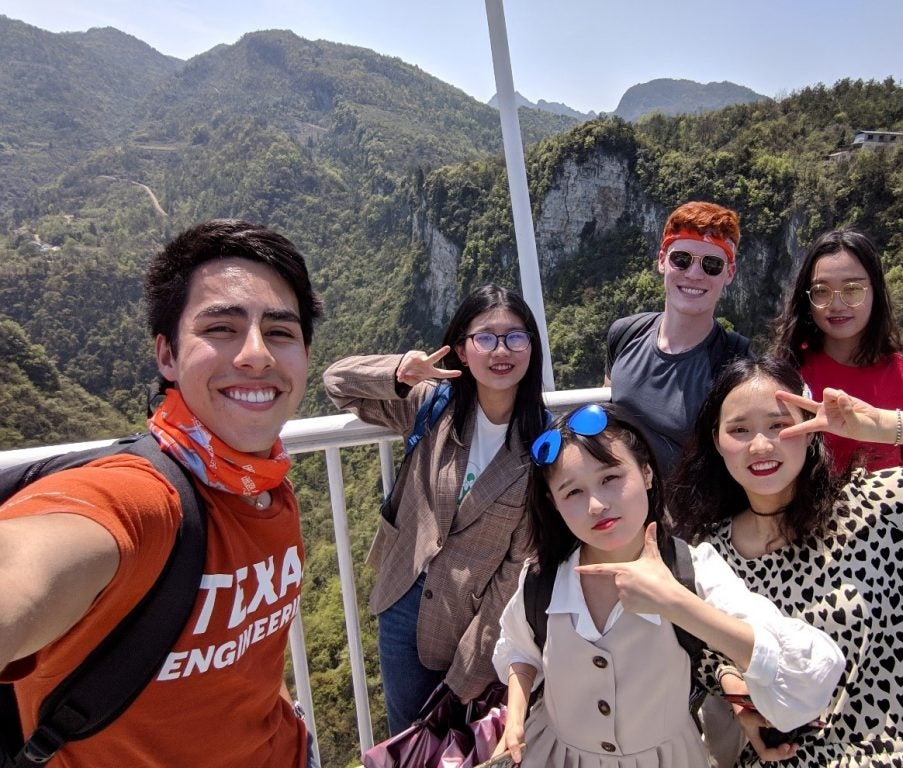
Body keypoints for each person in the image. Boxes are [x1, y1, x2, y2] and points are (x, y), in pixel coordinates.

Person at [0, 219, 324, 767]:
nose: (256, 354)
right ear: (167, 355)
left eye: (281, 332)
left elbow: (247, 652)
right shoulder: (138, 501)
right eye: (220, 327)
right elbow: (28, 568)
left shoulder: (266, 487)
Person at [671, 355, 903, 766]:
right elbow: (704, 646)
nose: (761, 445)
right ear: (717, 442)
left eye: (780, 424)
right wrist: (734, 690)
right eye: (739, 430)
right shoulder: (712, 555)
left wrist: (883, 425)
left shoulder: (884, 508)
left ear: (809, 430)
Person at [492, 403, 845, 767]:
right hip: (554, 754)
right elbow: (520, 649)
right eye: (572, 493)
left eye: (610, 478)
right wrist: (515, 718)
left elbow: (812, 670)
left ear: (646, 473)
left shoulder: (691, 570)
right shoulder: (543, 580)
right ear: (553, 504)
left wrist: (675, 603)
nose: (596, 504)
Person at [322, 284, 547, 735]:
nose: (500, 350)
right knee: (408, 740)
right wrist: (400, 371)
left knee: (459, 741)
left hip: (472, 620)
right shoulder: (432, 405)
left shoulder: (540, 446)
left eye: (515, 337)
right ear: (462, 350)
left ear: (530, 348)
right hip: (402, 594)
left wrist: (470, 668)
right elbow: (336, 382)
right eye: (485, 337)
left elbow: (516, 569)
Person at [773, 228, 903, 473]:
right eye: (821, 291)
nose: (836, 304)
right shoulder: (786, 373)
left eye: (852, 289)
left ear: (875, 290)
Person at [605, 200, 751, 476]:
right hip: (633, 512)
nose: (694, 274)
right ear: (662, 261)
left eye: (712, 265)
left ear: (729, 273)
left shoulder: (735, 362)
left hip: (698, 516)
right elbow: (611, 420)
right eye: (681, 259)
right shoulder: (625, 334)